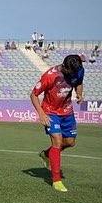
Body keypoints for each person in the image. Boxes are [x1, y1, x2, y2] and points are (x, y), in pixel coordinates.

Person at [30, 54, 84, 192]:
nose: (73, 74)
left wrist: (79, 94)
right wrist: (41, 113)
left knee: (70, 142)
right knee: (58, 142)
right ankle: (56, 180)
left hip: (67, 111)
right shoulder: (50, 76)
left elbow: (79, 82)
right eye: (70, 72)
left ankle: (47, 154)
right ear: (65, 67)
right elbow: (34, 94)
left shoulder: (78, 69)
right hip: (50, 112)